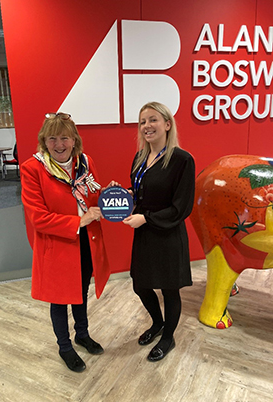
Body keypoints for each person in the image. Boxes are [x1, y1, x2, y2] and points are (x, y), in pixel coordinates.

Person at [21, 112, 113, 373]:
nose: (59, 144)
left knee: (80, 292)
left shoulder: (85, 162)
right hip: (58, 245)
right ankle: (64, 347)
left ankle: (82, 335)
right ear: (44, 141)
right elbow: (38, 218)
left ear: (74, 140)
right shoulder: (33, 168)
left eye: (64, 137)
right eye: (52, 138)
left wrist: (110, 195)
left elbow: (93, 197)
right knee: (59, 299)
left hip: (85, 243)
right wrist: (78, 221)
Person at [123, 102, 195, 362]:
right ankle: (157, 324)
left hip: (167, 234)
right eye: (142, 122)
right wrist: (125, 196)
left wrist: (146, 218)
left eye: (152, 120)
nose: (146, 126)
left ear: (167, 124)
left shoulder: (182, 160)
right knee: (140, 285)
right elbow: (143, 192)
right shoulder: (140, 158)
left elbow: (181, 208)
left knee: (169, 289)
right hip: (144, 233)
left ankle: (168, 337)